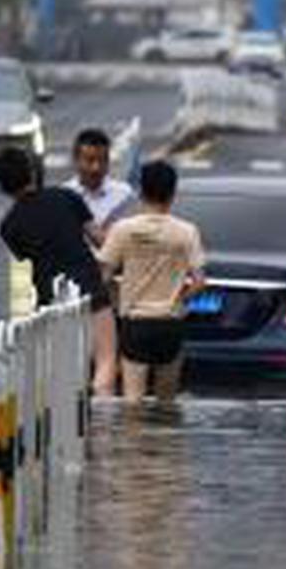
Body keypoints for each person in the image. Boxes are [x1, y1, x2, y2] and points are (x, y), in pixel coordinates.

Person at [98, 161, 206, 403]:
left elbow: (102, 277)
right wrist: (179, 298)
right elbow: (200, 282)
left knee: (132, 403)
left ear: (141, 191)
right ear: (173, 192)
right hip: (170, 324)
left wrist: (118, 297)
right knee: (167, 404)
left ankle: (136, 441)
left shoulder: (123, 230)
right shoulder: (187, 231)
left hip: (135, 324)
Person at [0, 147, 110, 321]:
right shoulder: (66, 197)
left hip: (51, 304)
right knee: (104, 347)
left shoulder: (9, 226)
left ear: (2, 186)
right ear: (32, 173)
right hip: (91, 293)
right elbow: (101, 241)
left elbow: (25, 271)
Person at [64, 128, 136, 394]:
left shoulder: (125, 195)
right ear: (76, 160)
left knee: (112, 355)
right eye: (88, 160)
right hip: (75, 286)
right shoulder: (64, 195)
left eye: (102, 161)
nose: (95, 168)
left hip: (114, 286)